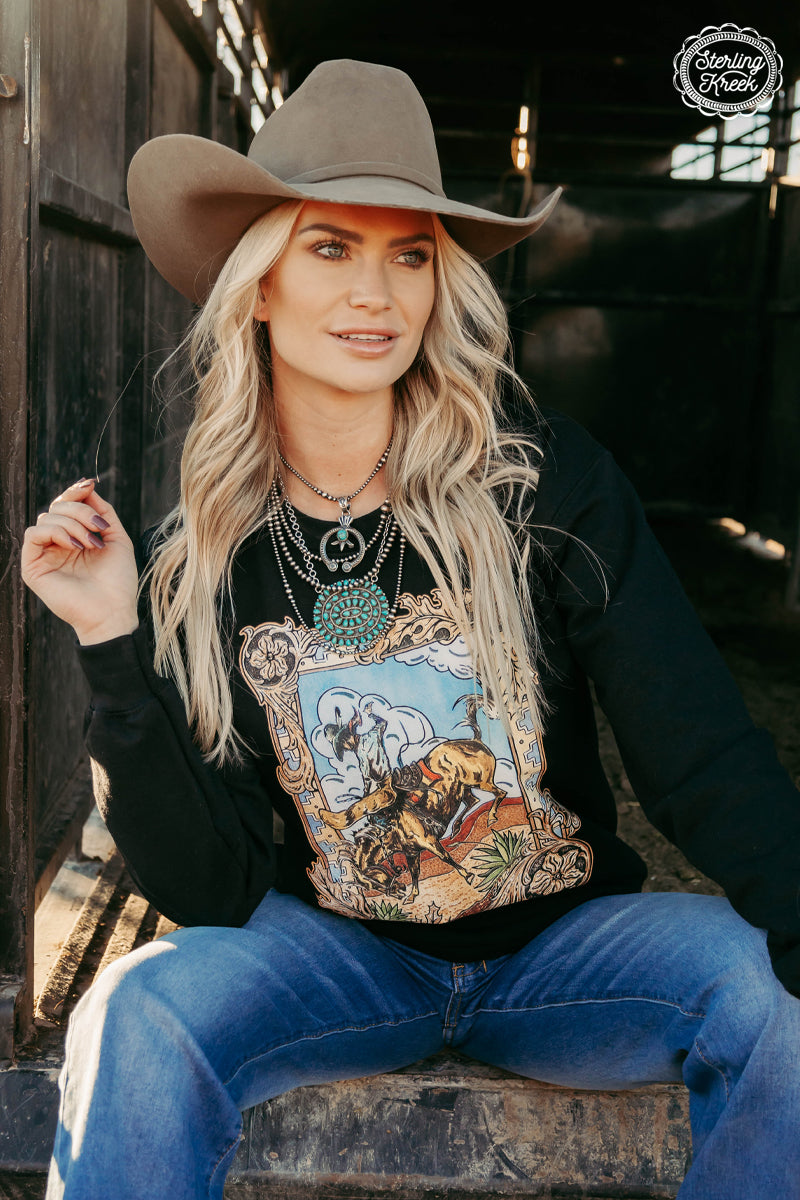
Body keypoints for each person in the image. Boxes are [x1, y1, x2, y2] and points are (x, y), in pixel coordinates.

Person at [21, 59, 800, 1200]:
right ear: (258, 285)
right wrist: (110, 641)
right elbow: (214, 888)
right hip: (337, 962)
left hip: (566, 958)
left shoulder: (541, 485)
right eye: (331, 248)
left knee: (777, 997)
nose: (375, 295)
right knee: (135, 1009)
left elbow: (695, 747)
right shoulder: (204, 555)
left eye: (410, 255)